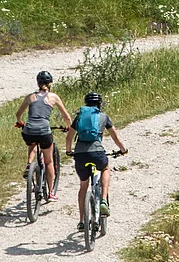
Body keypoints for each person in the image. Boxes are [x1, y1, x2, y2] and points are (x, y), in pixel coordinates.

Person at [70, 91, 128, 234]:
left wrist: (69, 151)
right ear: (100, 104)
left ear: (86, 104)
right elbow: (115, 137)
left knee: (83, 186)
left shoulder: (79, 117)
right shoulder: (104, 117)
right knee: (105, 168)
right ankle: (103, 200)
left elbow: (69, 137)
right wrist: (123, 150)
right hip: (97, 153)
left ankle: (82, 221)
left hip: (80, 154)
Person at [13, 71, 71, 200]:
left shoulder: (30, 97)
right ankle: (50, 193)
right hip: (44, 131)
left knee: (32, 143)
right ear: (50, 83)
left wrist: (20, 122)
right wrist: (68, 127)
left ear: (37, 83)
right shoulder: (53, 97)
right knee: (49, 162)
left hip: (29, 130)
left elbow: (18, 114)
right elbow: (66, 116)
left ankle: (29, 164)